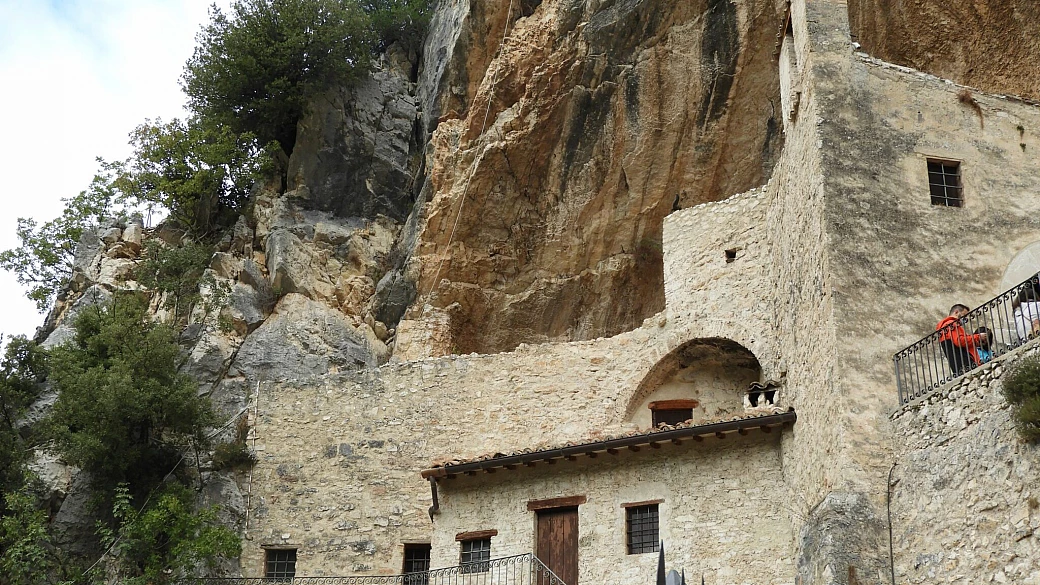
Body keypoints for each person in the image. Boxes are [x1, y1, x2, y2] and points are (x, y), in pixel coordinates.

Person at [936, 304, 986, 375]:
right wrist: (978, 337)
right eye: (964, 315)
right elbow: (959, 341)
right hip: (965, 362)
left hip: (960, 365)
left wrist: (975, 342)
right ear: (956, 312)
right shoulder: (951, 324)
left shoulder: (945, 327)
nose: (965, 319)